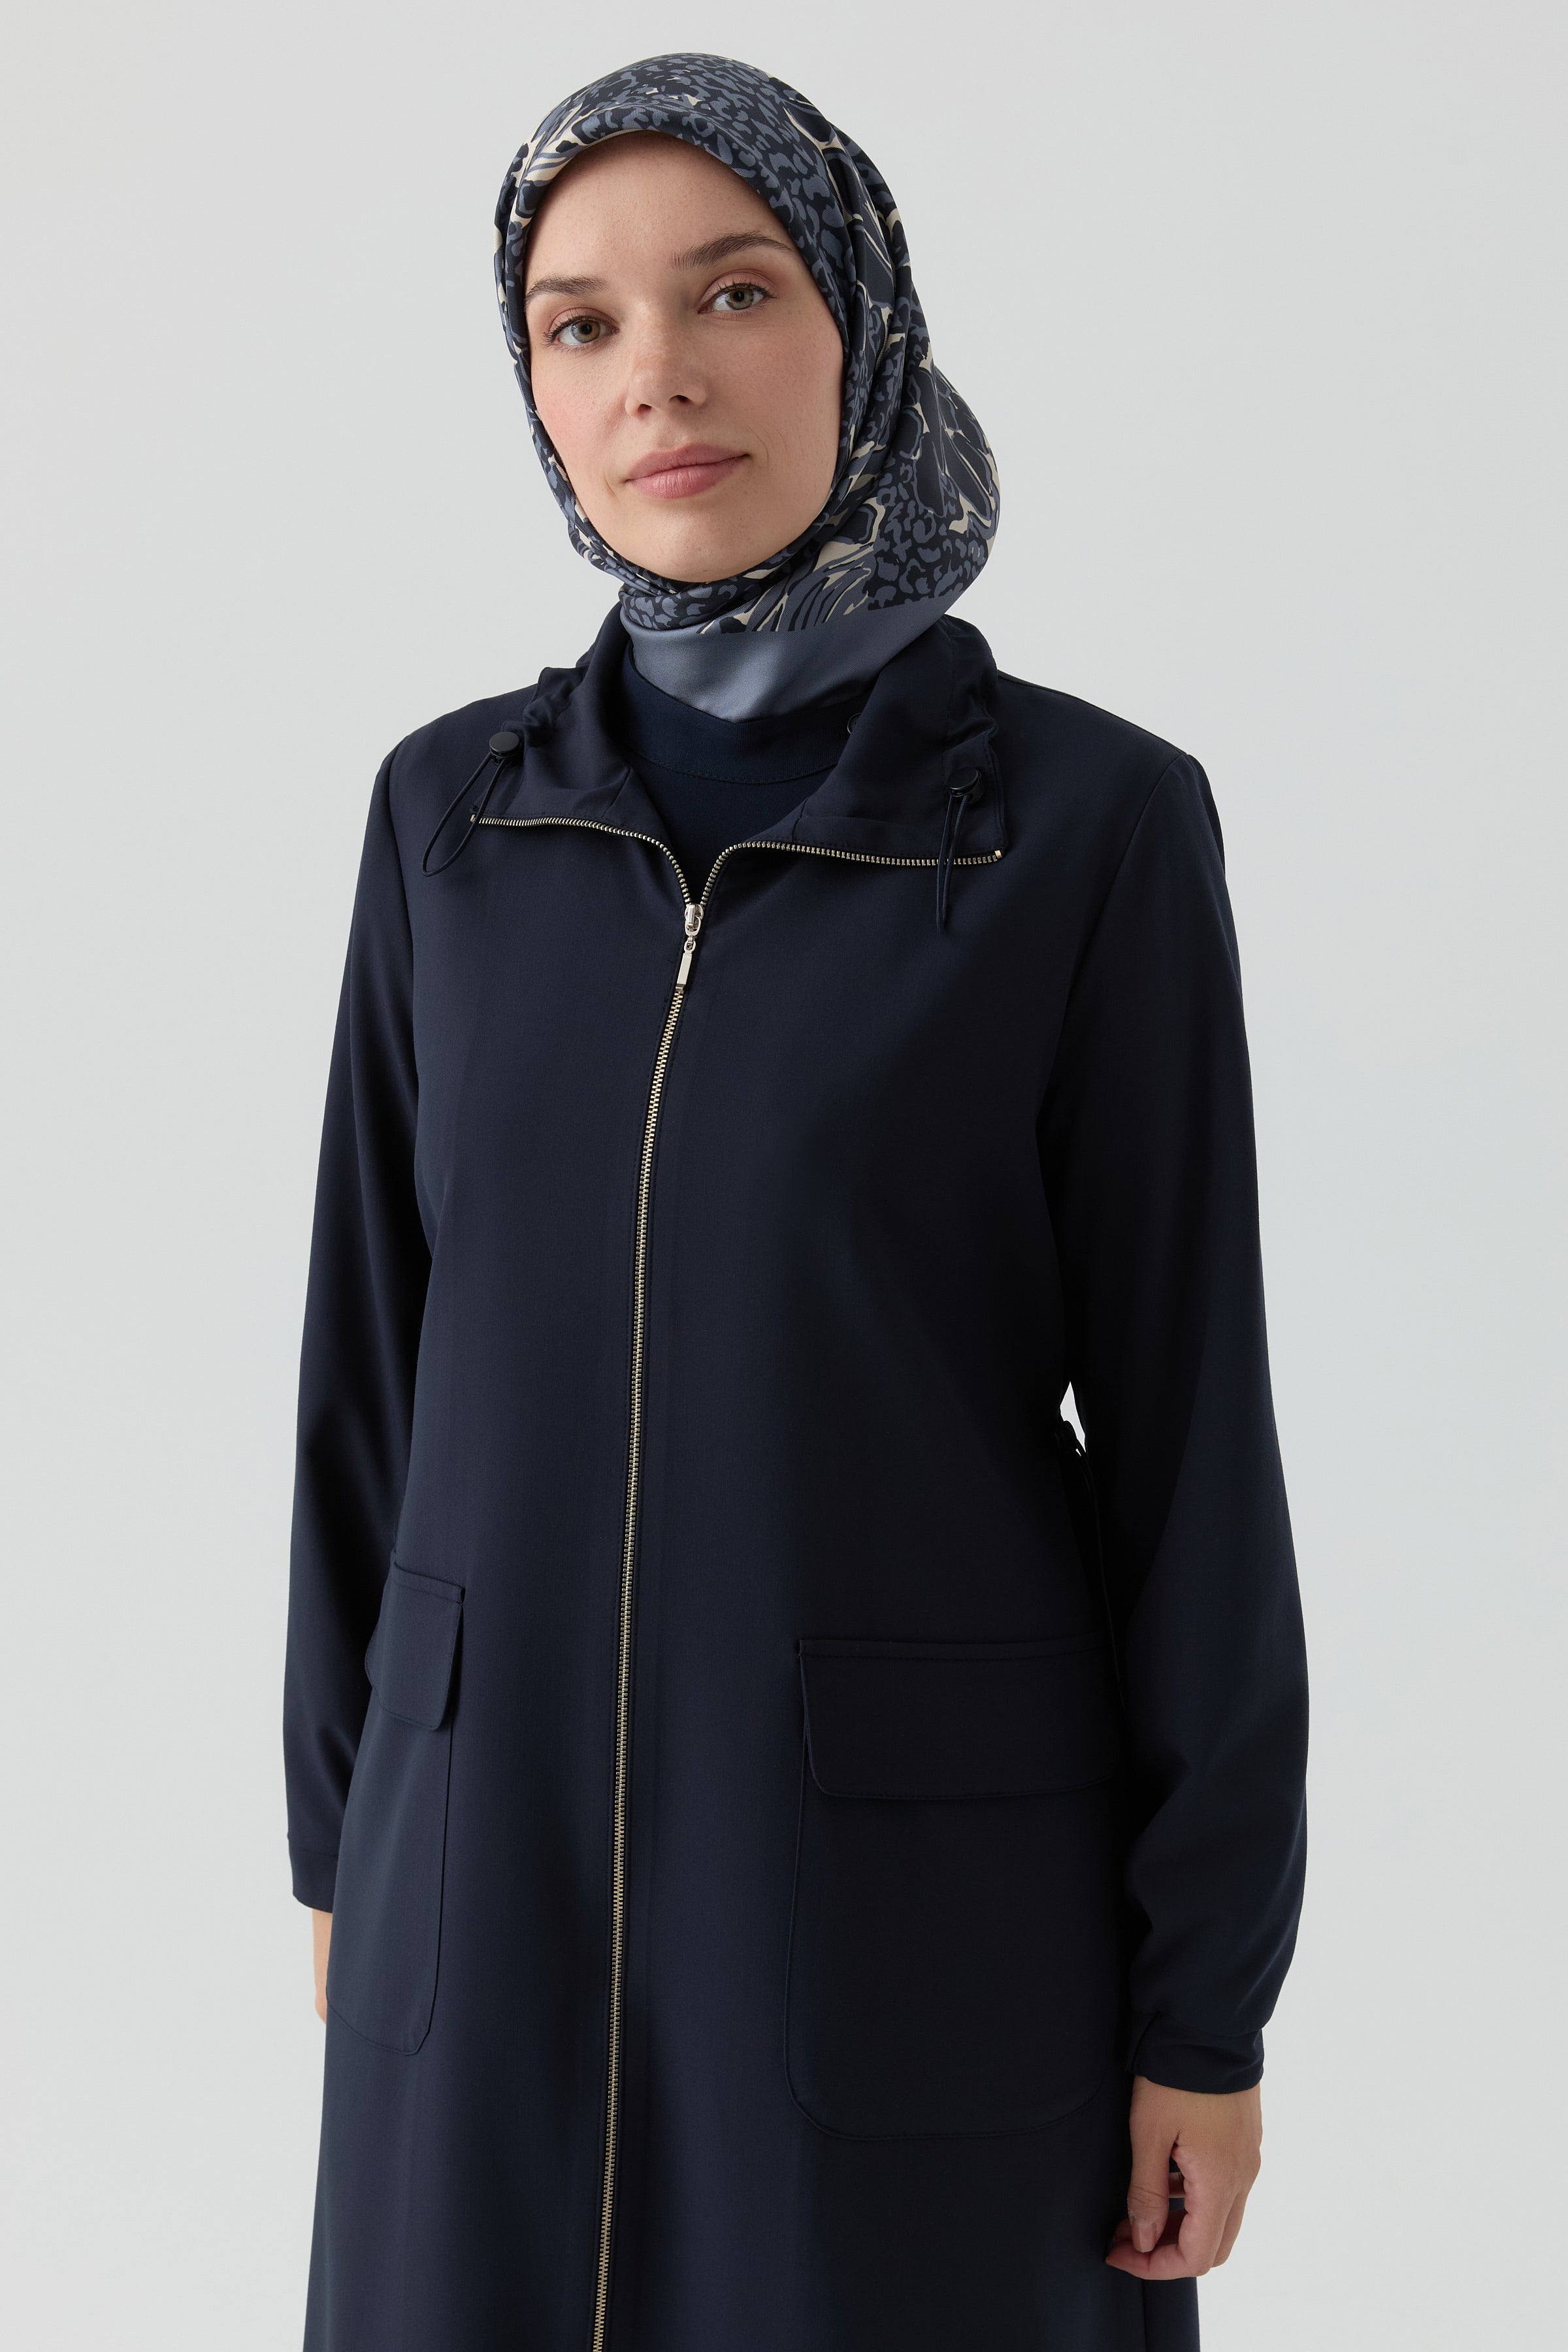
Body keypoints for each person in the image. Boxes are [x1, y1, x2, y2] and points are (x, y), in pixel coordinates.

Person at [284, 51, 1307, 2352]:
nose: (657, 373)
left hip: (910, 1906)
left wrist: (1207, 1997)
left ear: (863, 323)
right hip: (478, 1880)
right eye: (579, 322)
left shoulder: (1083, 830)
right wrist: (346, 1827)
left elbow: (1189, 1451)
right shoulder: (450, 822)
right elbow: (370, 1368)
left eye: (733, 290)